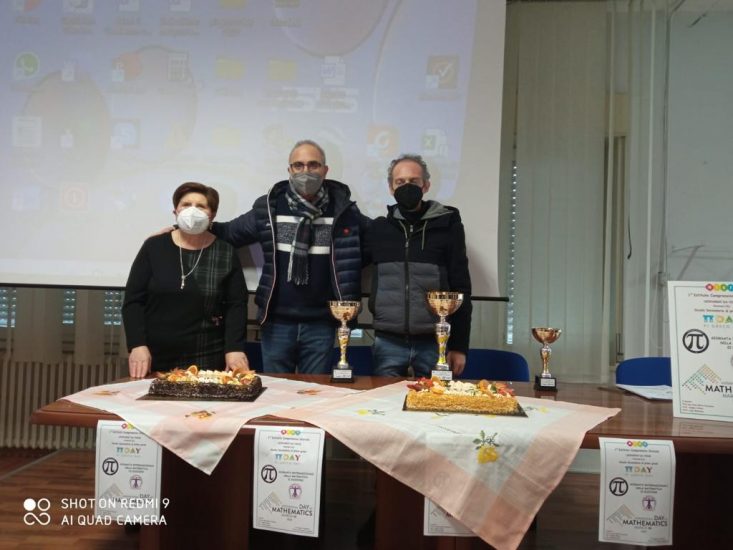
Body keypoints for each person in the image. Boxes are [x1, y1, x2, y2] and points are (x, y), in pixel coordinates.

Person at [211, 140, 368, 374]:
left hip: (321, 323)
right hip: (277, 322)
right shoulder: (269, 208)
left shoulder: (344, 211)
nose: (306, 171)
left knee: (314, 391)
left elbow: (377, 241)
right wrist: (181, 228)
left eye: (313, 165)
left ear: (325, 170)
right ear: (289, 170)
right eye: (298, 165)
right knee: (276, 388)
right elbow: (228, 233)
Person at [122, 182, 249, 378]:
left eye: (201, 206)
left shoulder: (225, 252)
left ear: (212, 215)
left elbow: (236, 305)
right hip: (154, 356)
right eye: (186, 204)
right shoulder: (154, 247)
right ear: (175, 211)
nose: (192, 211)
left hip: (208, 355)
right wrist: (137, 344)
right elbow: (133, 301)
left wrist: (234, 348)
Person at [365, 153, 472, 378]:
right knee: (383, 399)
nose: (407, 186)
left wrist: (459, 346)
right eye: (400, 182)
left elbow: (461, 287)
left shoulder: (448, 227)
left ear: (426, 185)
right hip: (388, 342)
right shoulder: (379, 230)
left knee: (436, 400)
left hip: (435, 342)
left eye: (413, 181)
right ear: (391, 188)